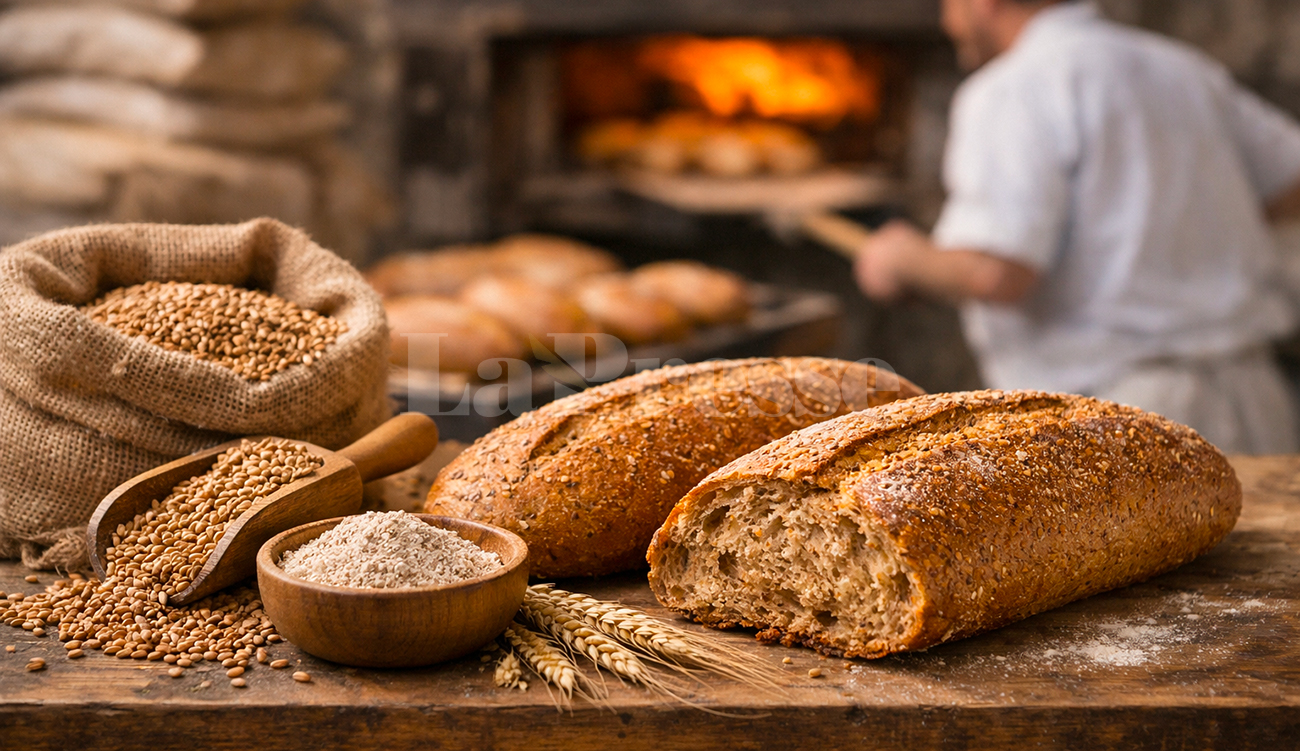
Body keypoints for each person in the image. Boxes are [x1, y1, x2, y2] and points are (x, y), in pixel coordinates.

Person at [854, 0, 1300, 454]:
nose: (948, 22)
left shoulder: (1014, 86)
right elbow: (1291, 184)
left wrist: (899, 258)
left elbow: (995, 271)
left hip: (1121, 421)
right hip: (1256, 402)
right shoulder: (1181, 68)